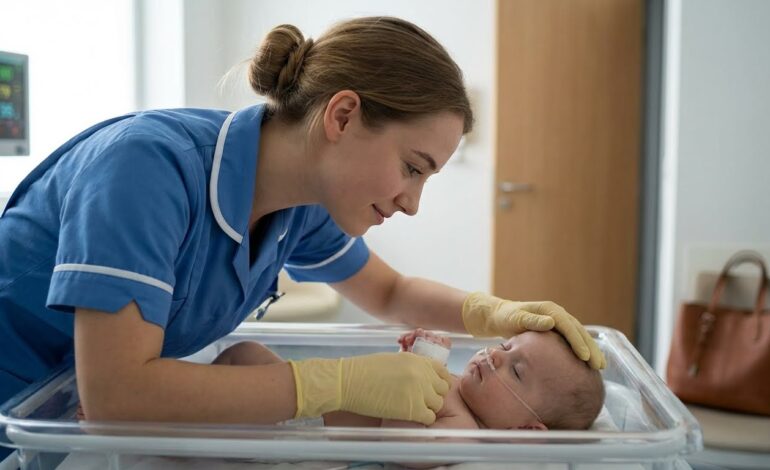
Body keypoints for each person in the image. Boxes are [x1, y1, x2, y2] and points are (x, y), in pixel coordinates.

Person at [0, 16, 604, 460]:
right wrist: (328, 384)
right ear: (341, 117)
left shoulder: (304, 202)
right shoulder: (147, 170)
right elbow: (119, 394)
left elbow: (390, 293)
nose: (412, 203)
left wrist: (492, 313)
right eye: (413, 168)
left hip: (56, 424)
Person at [209, 328, 605, 431]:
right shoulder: (455, 384)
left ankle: (175, 419)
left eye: (517, 371)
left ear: (527, 429)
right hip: (308, 398)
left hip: (301, 426)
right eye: (506, 345)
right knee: (243, 351)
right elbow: (388, 387)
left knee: (242, 361)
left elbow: (401, 441)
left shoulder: (463, 426)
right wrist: (407, 359)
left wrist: (419, 361)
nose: (496, 355)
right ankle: (176, 401)